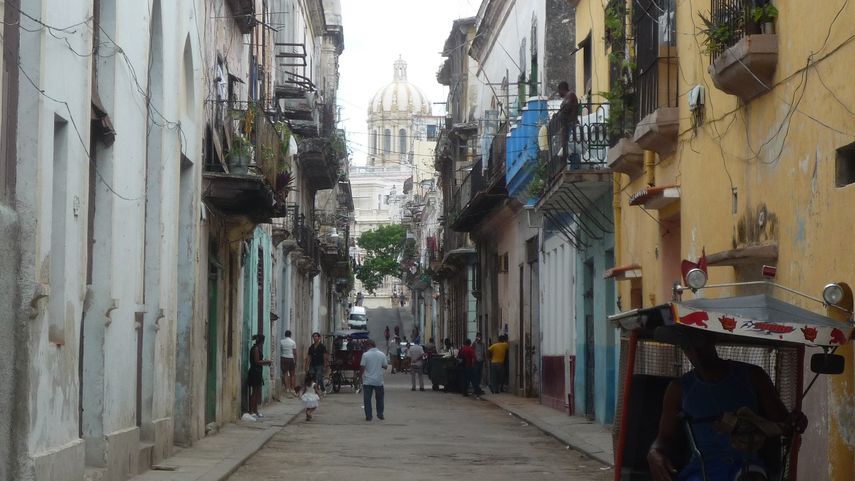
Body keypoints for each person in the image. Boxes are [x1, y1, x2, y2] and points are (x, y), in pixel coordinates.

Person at [647, 330, 808, 481]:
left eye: (699, 343)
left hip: (747, 467)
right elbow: (663, 439)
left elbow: (784, 424)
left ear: (712, 339)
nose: (695, 353)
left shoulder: (752, 376)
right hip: (702, 470)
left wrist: (796, 421)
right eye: (687, 347)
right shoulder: (678, 389)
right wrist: (654, 453)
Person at [359, 339, 388, 421]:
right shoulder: (382, 354)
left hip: (367, 381)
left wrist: (360, 376)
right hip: (378, 380)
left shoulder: (365, 355)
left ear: (368, 346)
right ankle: (380, 414)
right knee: (379, 398)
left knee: (367, 399)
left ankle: (369, 416)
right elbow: (385, 366)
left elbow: (362, 367)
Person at [247, 334, 272, 419]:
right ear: (262, 341)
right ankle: (252, 411)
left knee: (256, 392)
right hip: (255, 372)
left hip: (256, 371)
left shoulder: (255, 348)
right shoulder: (256, 349)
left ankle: (255, 411)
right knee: (255, 392)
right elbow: (257, 361)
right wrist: (267, 362)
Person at [279, 330, 298, 397]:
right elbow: (294, 353)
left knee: (285, 374)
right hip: (290, 358)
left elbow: (280, 350)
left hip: (283, 358)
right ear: (290, 335)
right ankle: (292, 389)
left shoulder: (281, 341)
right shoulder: (293, 342)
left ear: (285, 335)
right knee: (292, 374)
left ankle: (287, 389)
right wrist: (295, 361)